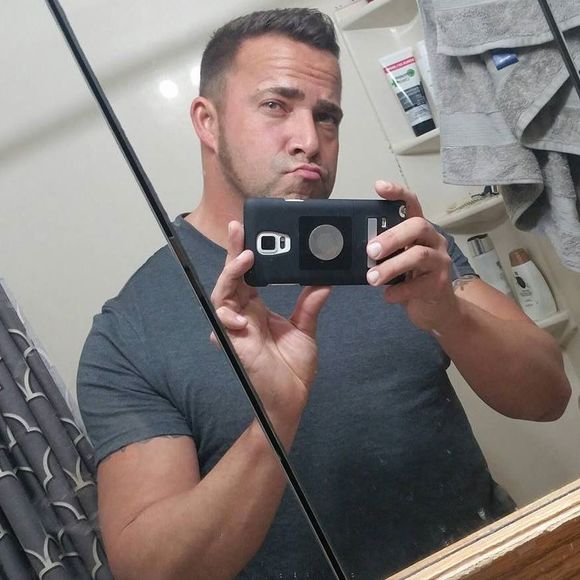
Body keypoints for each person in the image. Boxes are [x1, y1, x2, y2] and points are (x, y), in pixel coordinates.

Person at [77, 8, 571, 580]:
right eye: (275, 106)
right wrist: (275, 419)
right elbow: (152, 571)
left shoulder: (399, 249)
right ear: (207, 123)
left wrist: (451, 314)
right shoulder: (130, 330)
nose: (309, 140)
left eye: (327, 116)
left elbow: (549, 397)